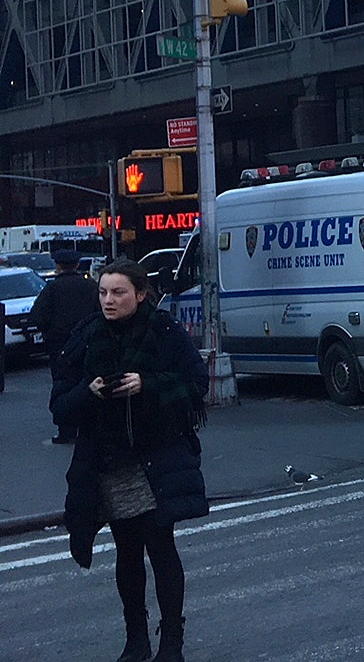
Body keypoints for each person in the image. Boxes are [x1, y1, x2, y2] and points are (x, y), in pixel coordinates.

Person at [52, 258, 209, 662]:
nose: (109, 300)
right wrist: (90, 392)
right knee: (126, 549)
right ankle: (136, 639)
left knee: (160, 545)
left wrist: (148, 384)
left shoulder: (164, 331)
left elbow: (196, 383)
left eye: (118, 292)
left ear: (140, 294)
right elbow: (60, 406)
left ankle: (171, 642)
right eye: (103, 292)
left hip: (156, 457)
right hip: (109, 461)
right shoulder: (86, 337)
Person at [32, 249, 100, 443]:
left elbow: (38, 316)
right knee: (88, 382)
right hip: (89, 341)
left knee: (64, 386)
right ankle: (88, 426)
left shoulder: (52, 289)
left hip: (60, 345)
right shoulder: (90, 286)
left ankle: (67, 431)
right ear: (77, 265)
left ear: (58, 266)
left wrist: (50, 333)